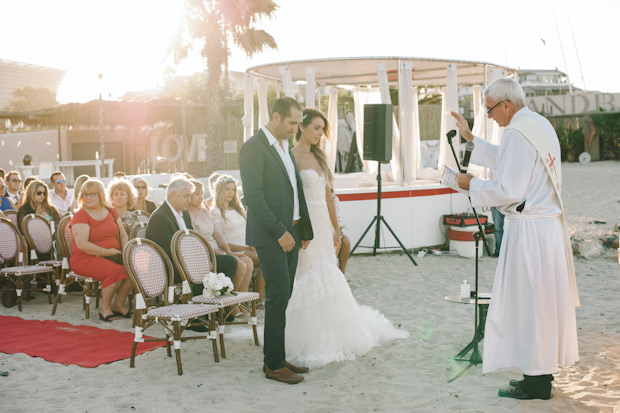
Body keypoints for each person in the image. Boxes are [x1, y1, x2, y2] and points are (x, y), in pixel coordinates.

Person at [450, 77, 579, 401]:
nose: (490, 116)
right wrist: (471, 139)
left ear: (506, 104)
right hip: (544, 229)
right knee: (542, 303)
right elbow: (509, 160)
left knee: (530, 303)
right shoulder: (537, 125)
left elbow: (510, 189)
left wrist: (470, 184)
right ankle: (540, 372)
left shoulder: (517, 133)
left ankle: (535, 383)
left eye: (490, 109)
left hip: (529, 232)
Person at [286, 108, 408, 369]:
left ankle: (336, 333)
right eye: (316, 128)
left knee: (329, 275)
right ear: (302, 127)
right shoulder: (291, 157)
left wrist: (336, 230)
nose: (320, 134)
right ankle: (311, 337)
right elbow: (292, 200)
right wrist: (301, 230)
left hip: (323, 227)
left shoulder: (319, 157)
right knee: (309, 278)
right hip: (306, 229)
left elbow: (329, 195)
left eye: (322, 129)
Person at [239, 97, 313, 385]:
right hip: (272, 234)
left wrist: (302, 230)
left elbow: (297, 191)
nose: (296, 129)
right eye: (292, 123)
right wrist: (280, 231)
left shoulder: (285, 146)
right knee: (277, 295)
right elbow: (254, 198)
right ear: (276, 117)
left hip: (292, 232)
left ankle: (279, 357)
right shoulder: (253, 148)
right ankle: (273, 364)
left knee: (285, 296)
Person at [69, 179, 133, 322]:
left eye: (92, 194)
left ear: (101, 195)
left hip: (112, 255)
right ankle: (105, 308)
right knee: (114, 271)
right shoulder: (81, 215)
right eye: (85, 195)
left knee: (135, 268)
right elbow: (82, 244)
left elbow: (123, 234)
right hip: (85, 258)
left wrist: (126, 252)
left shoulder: (111, 211)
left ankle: (118, 304)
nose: (88, 198)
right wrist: (106, 252)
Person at [187, 179, 250, 316]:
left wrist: (228, 251)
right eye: (196, 194)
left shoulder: (204, 211)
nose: (200, 197)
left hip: (217, 249)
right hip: (206, 252)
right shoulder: (187, 215)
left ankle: (237, 301)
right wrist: (219, 253)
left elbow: (218, 234)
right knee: (240, 265)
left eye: (202, 193)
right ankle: (230, 304)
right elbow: (197, 240)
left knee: (247, 261)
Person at [211, 175, 265, 306]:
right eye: (227, 189)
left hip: (249, 247)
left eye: (233, 190)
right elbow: (220, 240)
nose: (231, 192)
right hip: (232, 250)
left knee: (267, 257)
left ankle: (254, 299)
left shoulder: (237, 209)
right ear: (219, 190)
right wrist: (245, 249)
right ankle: (245, 301)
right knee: (265, 259)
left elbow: (247, 229)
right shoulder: (216, 211)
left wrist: (253, 244)